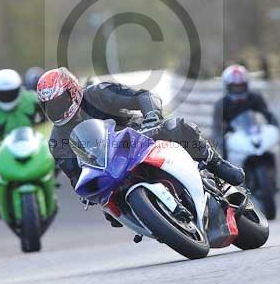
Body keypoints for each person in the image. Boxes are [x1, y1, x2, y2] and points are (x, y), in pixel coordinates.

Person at [36, 67, 245, 194]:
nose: (57, 109)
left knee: (176, 127)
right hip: (110, 167)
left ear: (73, 92)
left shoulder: (98, 94)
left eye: (60, 102)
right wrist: (92, 194)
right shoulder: (56, 141)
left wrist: (151, 116)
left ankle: (216, 163)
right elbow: (76, 177)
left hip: (138, 136)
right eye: (50, 106)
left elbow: (143, 96)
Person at [0, 69, 46, 217]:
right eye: (3, 94)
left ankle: (50, 187)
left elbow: (50, 109)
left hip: (33, 145)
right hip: (6, 152)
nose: (6, 97)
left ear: (18, 89)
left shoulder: (31, 99)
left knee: (57, 158)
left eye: (10, 93)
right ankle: (1, 203)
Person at [212, 64, 280, 153]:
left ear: (246, 85)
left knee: (278, 146)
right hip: (234, 139)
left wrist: (277, 129)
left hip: (258, 134)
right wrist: (221, 142)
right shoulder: (221, 104)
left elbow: (268, 115)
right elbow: (216, 128)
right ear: (228, 86)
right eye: (235, 87)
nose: (238, 89)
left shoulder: (255, 98)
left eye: (241, 86)